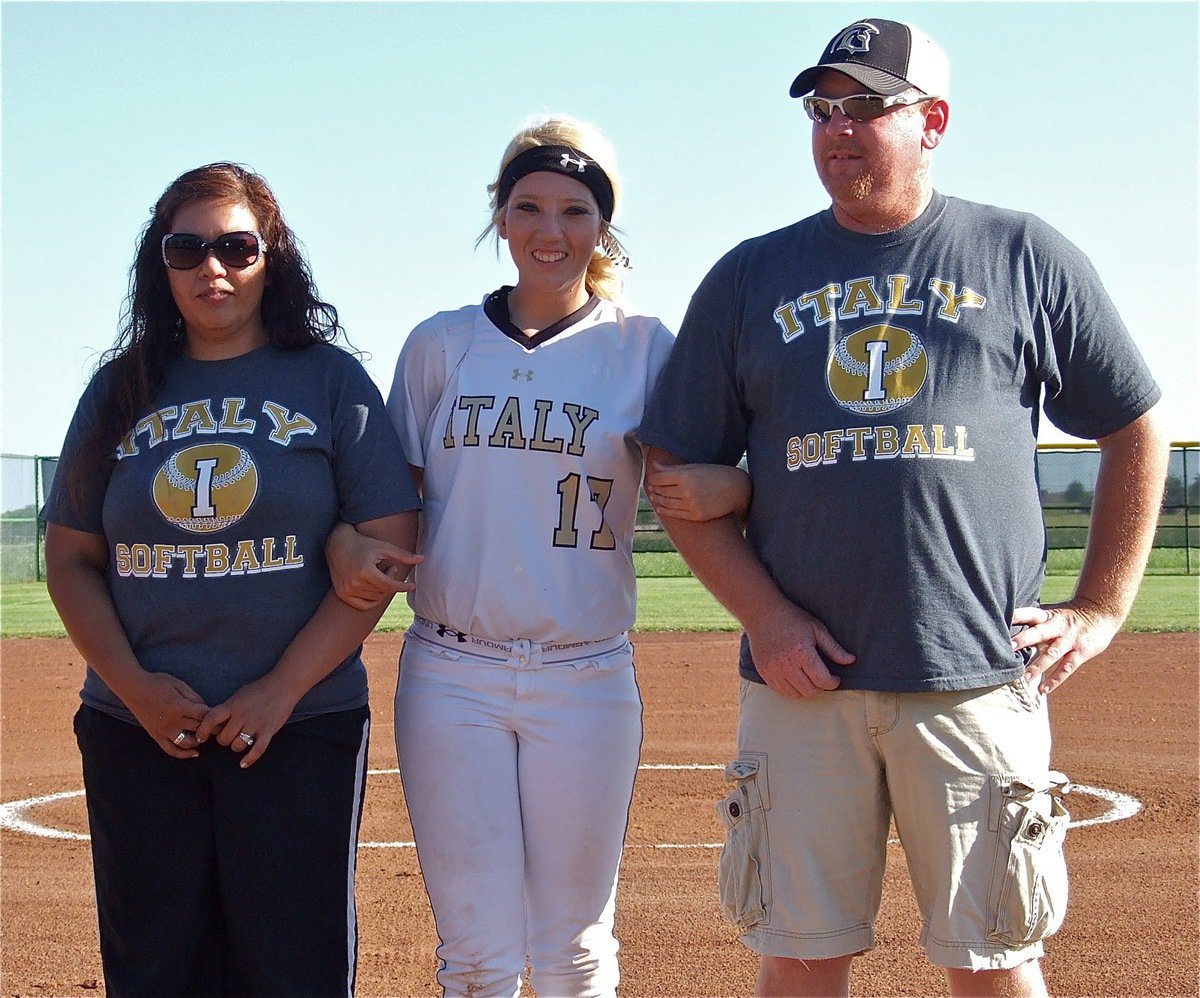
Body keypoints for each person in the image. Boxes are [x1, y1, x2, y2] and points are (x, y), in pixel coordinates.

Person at [637, 17, 1169, 998]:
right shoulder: (752, 274)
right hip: (803, 686)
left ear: (933, 121)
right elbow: (675, 463)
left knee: (998, 956)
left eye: (868, 106)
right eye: (822, 108)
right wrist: (768, 615)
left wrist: (1101, 605)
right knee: (799, 950)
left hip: (972, 674)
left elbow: (1133, 422)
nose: (839, 129)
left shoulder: (1022, 254)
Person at [326, 115, 747, 998]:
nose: (549, 231)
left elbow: (694, 490)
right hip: (452, 668)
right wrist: (343, 539)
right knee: (475, 956)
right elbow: (387, 510)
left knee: (573, 946)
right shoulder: (441, 344)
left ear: (604, 227)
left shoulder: (641, 345)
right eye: (529, 207)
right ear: (500, 215)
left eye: (574, 210)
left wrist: (739, 489)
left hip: (585, 674)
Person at [41, 162, 421, 997]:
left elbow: (390, 545)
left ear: (271, 257)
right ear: (161, 264)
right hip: (138, 731)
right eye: (187, 248)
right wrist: (135, 688)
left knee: (294, 970)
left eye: (236, 246)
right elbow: (69, 556)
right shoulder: (120, 390)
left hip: (298, 727)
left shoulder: (328, 381)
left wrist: (280, 690)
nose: (212, 268)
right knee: (154, 971)